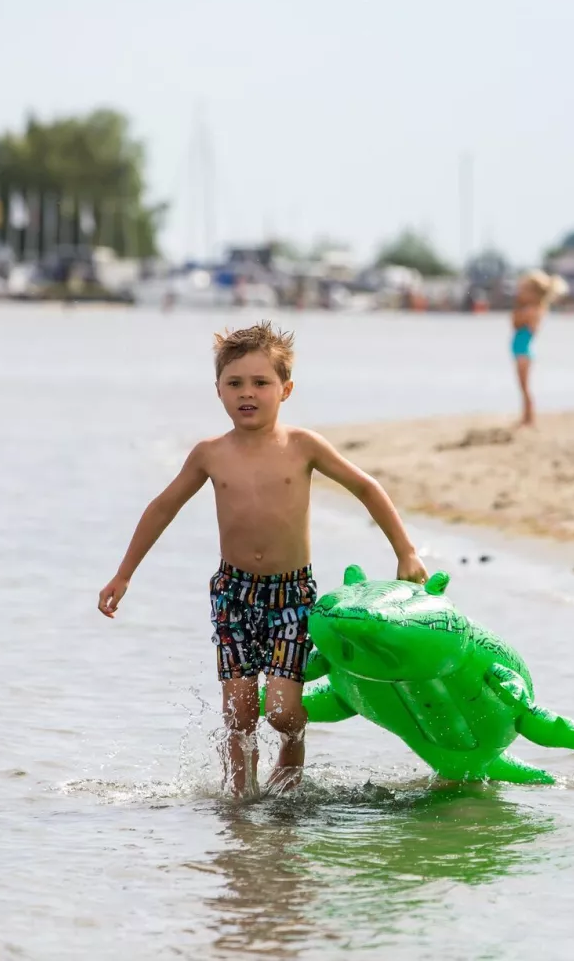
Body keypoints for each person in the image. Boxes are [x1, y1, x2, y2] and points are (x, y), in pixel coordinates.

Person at [96, 321, 428, 796]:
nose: (246, 394)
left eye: (260, 383)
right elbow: (163, 507)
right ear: (218, 390)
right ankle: (240, 799)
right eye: (234, 384)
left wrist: (406, 551)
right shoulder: (210, 454)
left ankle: (290, 767)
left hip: (292, 595)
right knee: (239, 712)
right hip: (232, 593)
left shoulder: (303, 446)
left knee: (281, 711)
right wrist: (123, 575)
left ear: (285, 389)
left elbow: (365, 487)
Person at [510, 270, 566, 427]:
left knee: (524, 387)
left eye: (524, 290)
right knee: (523, 387)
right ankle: (526, 416)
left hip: (523, 354)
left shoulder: (532, 311)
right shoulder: (529, 309)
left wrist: (519, 307)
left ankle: (529, 418)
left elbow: (515, 323)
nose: (519, 293)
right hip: (519, 352)